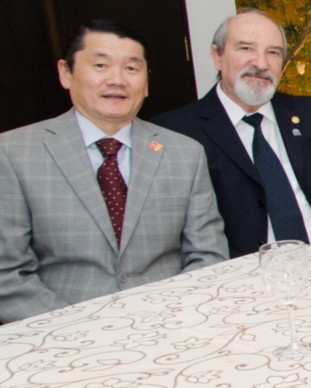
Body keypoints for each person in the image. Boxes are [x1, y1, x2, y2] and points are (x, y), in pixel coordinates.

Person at [0, 20, 226, 322]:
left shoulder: (185, 153)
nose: (117, 80)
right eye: (101, 66)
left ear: (146, 83)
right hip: (62, 331)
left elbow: (208, 255)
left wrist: (172, 316)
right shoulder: (14, 153)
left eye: (131, 68)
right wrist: (77, 330)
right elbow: (8, 274)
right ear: (65, 73)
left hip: (170, 322)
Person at [155, 10, 311, 258]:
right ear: (217, 56)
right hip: (247, 271)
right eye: (246, 48)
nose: (261, 64)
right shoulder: (178, 133)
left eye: (273, 52)